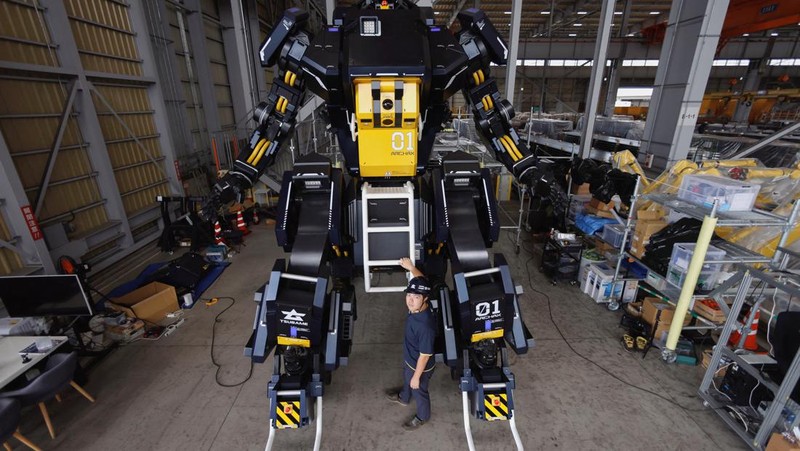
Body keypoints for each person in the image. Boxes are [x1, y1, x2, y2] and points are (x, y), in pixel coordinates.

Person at [385, 257, 437, 431]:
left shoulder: (425, 326)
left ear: (425, 299)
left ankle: (423, 416)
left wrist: (416, 376)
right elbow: (422, 281)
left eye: (415, 297)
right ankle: (404, 397)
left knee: (419, 389)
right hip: (410, 358)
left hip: (419, 365)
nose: (410, 300)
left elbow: (425, 355)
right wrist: (411, 268)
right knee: (407, 377)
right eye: (408, 295)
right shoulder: (418, 306)